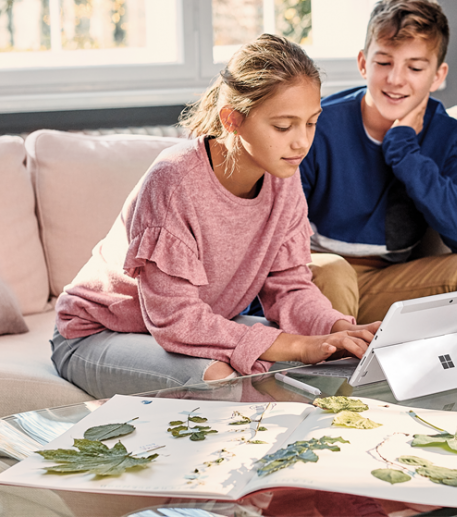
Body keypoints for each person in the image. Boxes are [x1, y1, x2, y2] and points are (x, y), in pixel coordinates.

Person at [51, 34, 380, 399]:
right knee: (221, 378)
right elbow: (176, 319)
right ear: (232, 119)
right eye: (283, 126)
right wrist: (300, 345)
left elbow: (290, 287)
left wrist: (337, 330)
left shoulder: (283, 177)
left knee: (328, 363)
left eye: (311, 123)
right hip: (97, 334)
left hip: (189, 327)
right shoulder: (174, 180)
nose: (301, 142)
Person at [302, 0, 457, 326]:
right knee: (335, 272)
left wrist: (404, 152)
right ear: (363, 63)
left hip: (385, 283)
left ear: (438, 75)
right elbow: (278, 233)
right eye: (383, 63)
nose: (395, 79)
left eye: (415, 67)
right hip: (314, 277)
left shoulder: (447, 134)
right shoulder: (318, 125)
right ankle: (336, 359)